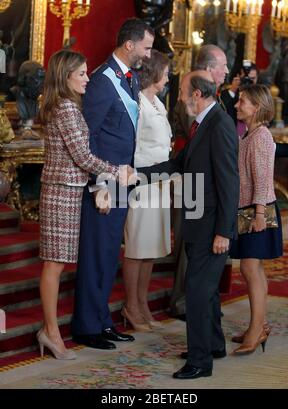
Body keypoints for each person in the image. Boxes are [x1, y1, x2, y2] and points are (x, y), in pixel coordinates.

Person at [138, 71, 239, 379]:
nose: (180, 98)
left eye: (183, 92)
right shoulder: (203, 123)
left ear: (197, 94)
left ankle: (200, 361)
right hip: (198, 221)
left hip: (212, 228)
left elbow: (229, 181)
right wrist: (135, 176)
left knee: (196, 290)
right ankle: (213, 345)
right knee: (205, 291)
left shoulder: (219, 124)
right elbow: (178, 164)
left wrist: (224, 230)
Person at [37, 49, 126, 360]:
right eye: (82, 74)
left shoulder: (66, 106)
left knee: (57, 264)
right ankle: (50, 332)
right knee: (54, 265)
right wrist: (118, 171)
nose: (88, 79)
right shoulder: (65, 109)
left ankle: (51, 331)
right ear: (66, 77)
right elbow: (83, 157)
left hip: (70, 191)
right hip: (61, 193)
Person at [72, 19, 154, 349]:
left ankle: (102, 320)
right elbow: (88, 136)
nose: (148, 54)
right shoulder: (104, 81)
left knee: (108, 254)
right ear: (130, 45)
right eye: (146, 47)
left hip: (123, 181)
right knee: (95, 254)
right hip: (105, 183)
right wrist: (98, 186)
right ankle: (86, 326)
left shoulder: (129, 79)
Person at [169, 44, 231, 320]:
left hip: (207, 186)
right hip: (194, 183)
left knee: (202, 258)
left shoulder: (216, 104)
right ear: (208, 69)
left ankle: (202, 307)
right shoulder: (193, 98)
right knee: (191, 249)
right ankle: (186, 301)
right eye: (222, 65)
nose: (227, 70)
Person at [230, 84, 283, 355]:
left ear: (258, 108)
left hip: (257, 211)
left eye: (243, 102)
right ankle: (258, 327)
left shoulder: (260, 136)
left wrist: (260, 214)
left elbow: (263, 178)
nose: (237, 105)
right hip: (249, 209)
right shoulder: (249, 133)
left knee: (250, 270)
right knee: (254, 270)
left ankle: (256, 330)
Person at [122, 50, 172, 331]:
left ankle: (143, 303)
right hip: (141, 181)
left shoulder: (158, 103)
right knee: (137, 245)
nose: (167, 77)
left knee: (151, 246)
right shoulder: (137, 102)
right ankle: (130, 306)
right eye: (164, 72)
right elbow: (134, 144)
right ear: (153, 73)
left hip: (160, 183)